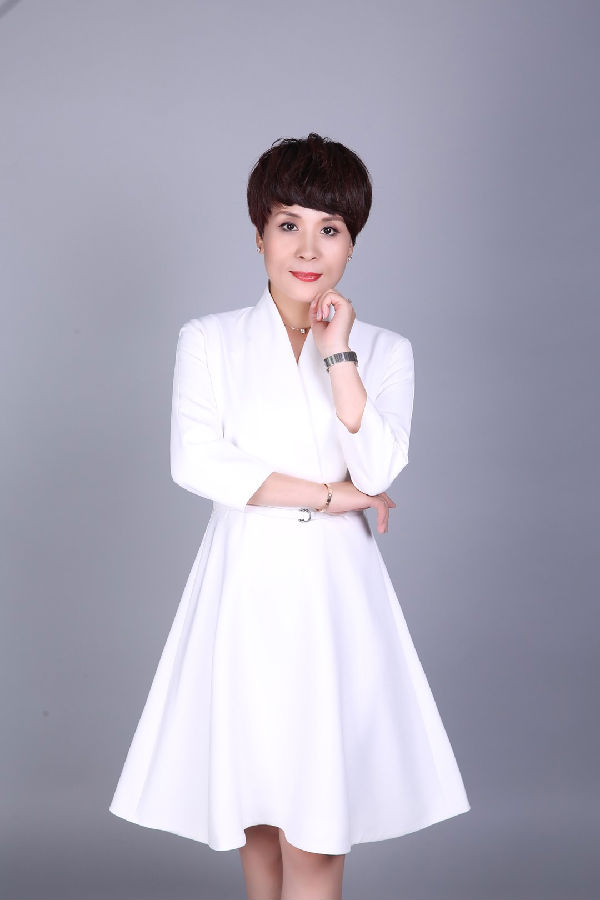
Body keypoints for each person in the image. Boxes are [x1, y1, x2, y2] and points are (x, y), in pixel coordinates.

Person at [109, 133, 471, 900]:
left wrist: (339, 356)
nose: (308, 249)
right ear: (259, 235)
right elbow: (197, 463)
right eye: (288, 225)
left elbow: (378, 469)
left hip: (332, 601)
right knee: (258, 820)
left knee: (314, 827)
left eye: (329, 229)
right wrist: (333, 496)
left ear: (352, 242)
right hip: (241, 591)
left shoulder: (385, 351)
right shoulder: (209, 341)